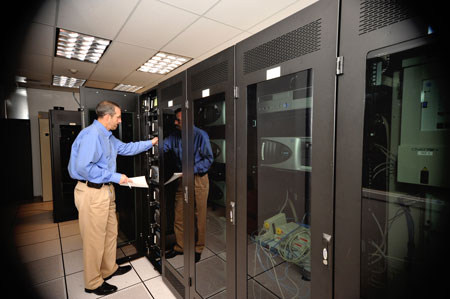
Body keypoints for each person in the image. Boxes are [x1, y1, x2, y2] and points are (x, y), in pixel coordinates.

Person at [68, 100, 158, 296]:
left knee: (110, 232)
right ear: (107, 116)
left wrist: (151, 143)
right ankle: (92, 282)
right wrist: (116, 177)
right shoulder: (92, 135)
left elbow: (126, 148)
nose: (119, 120)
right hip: (92, 192)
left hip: (106, 191)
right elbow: (85, 168)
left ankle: (109, 269)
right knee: (94, 239)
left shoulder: (107, 136)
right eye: (117, 117)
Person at [164, 108, 213, 262]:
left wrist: (191, 170)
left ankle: (198, 248)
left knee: (198, 215)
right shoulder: (174, 136)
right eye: (176, 119)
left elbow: (208, 159)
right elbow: (163, 147)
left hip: (198, 179)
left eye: (179, 120)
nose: (175, 122)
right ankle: (180, 246)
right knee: (179, 214)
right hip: (182, 179)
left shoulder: (200, 135)